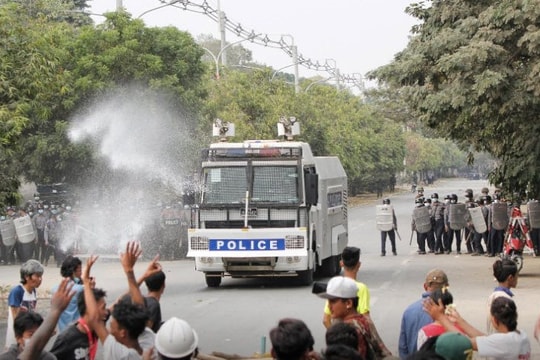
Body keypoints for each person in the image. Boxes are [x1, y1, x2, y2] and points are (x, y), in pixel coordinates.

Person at [82, 242, 154, 359]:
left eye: (112, 326)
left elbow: (95, 318)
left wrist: (85, 282)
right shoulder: (148, 339)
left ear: (123, 333)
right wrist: (129, 271)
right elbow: (140, 309)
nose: (109, 329)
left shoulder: (120, 354)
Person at [424, 296, 531, 359]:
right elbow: (487, 340)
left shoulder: (504, 341)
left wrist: (440, 317)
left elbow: (462, 343)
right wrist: (460, 321)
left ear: (495, 320)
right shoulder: (522, 336)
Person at [317, 276, 391, 360]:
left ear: (348, 303)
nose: (329, 306)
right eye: (328, 302)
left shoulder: (346, 330)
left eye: (333, 301)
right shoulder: (365, 320)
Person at [398, 269, 449, 359]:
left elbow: (403, 347)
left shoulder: (409, 310)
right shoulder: (448, 312)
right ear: (447, 287)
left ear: (425, 286)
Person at [50, 288, 108, 360]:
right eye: (103, 308)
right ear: (90, 309)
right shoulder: (66, 339)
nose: (106, 312)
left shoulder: (96, 328)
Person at [322, 247, 370, 329]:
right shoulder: (361, 288)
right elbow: (366, 319)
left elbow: (326, 320)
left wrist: (335, 335)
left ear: (341, 263)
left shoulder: (335, 286)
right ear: (359, 265)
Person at [5, 260, 44, 349]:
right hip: (16, 339)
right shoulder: (17, 291)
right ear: (27, 277)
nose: (40, 279)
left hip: (28, 338)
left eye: (41, 276)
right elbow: (17, 319)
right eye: (37, 276)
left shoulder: (33, 291)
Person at [52, 255, 85, 332]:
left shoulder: (55, 290)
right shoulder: (80, 289)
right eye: (80, 270)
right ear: (73, 272)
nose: (81, 273)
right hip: (77, 331)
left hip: (62, 333)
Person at [486, 259, 518, 334]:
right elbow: (505, 327)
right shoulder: (505, 299)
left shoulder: (494, 295)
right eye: (517, 275)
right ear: (510, 278)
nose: (517, 279)